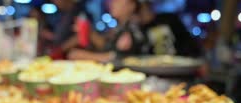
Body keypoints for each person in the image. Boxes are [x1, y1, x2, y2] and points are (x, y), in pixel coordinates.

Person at [68, 0, 201, 61]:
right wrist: (88, 33)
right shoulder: (124, 27)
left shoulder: (167, 20)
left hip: (176, 73)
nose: (111, 4)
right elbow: (110, 48)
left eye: (117, 1)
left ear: (133, 4)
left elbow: (121, 57)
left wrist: (200, 58)